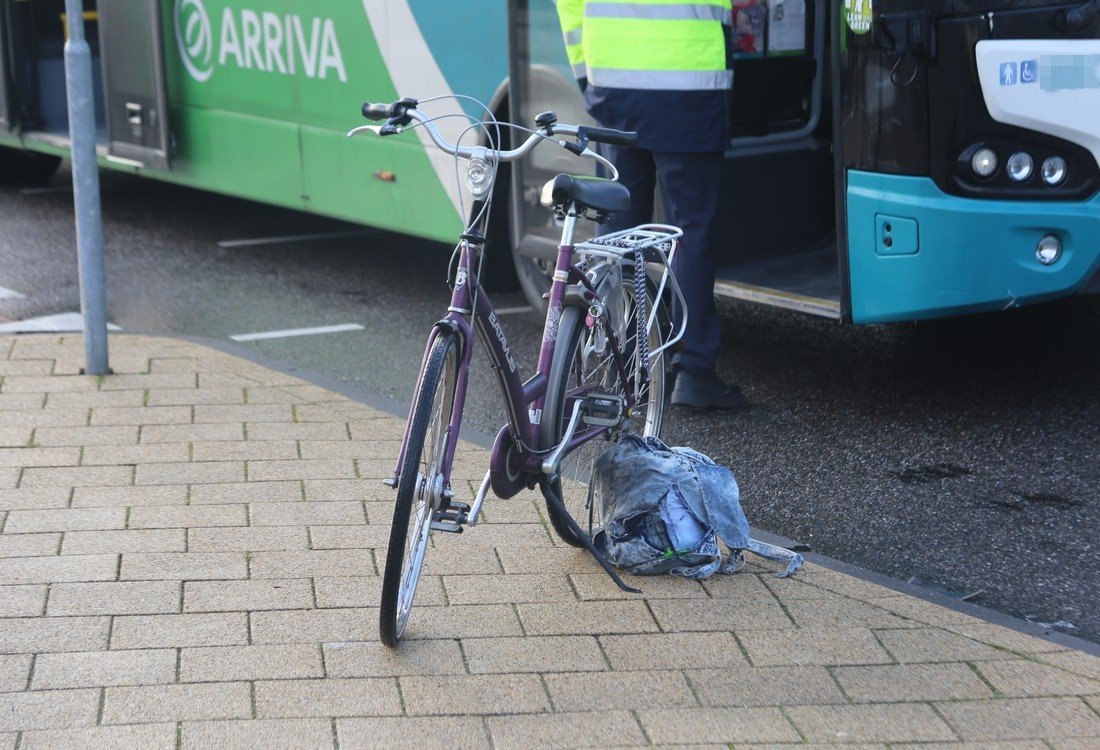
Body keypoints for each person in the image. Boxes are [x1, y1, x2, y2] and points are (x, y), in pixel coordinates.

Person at [557, 0, 746, 409]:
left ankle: (617, 364)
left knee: (619, 233)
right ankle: (694, 371)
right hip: (690, 86)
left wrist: (588, 76)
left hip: (615, 85)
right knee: (689, 232)